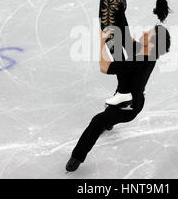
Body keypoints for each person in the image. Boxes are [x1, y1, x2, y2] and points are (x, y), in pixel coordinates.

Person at [66, 25, 172, 172]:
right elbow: (129, 41)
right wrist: (113, 31)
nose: (144, 32)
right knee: (117, 52)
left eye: (148, 34)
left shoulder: (138, 61)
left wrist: (103, 41)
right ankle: (109, 121)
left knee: (98, 121)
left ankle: (77, 157)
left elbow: (104, 66)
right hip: (126, 94)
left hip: (128, 108)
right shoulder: (148, 52)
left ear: (152, 44)